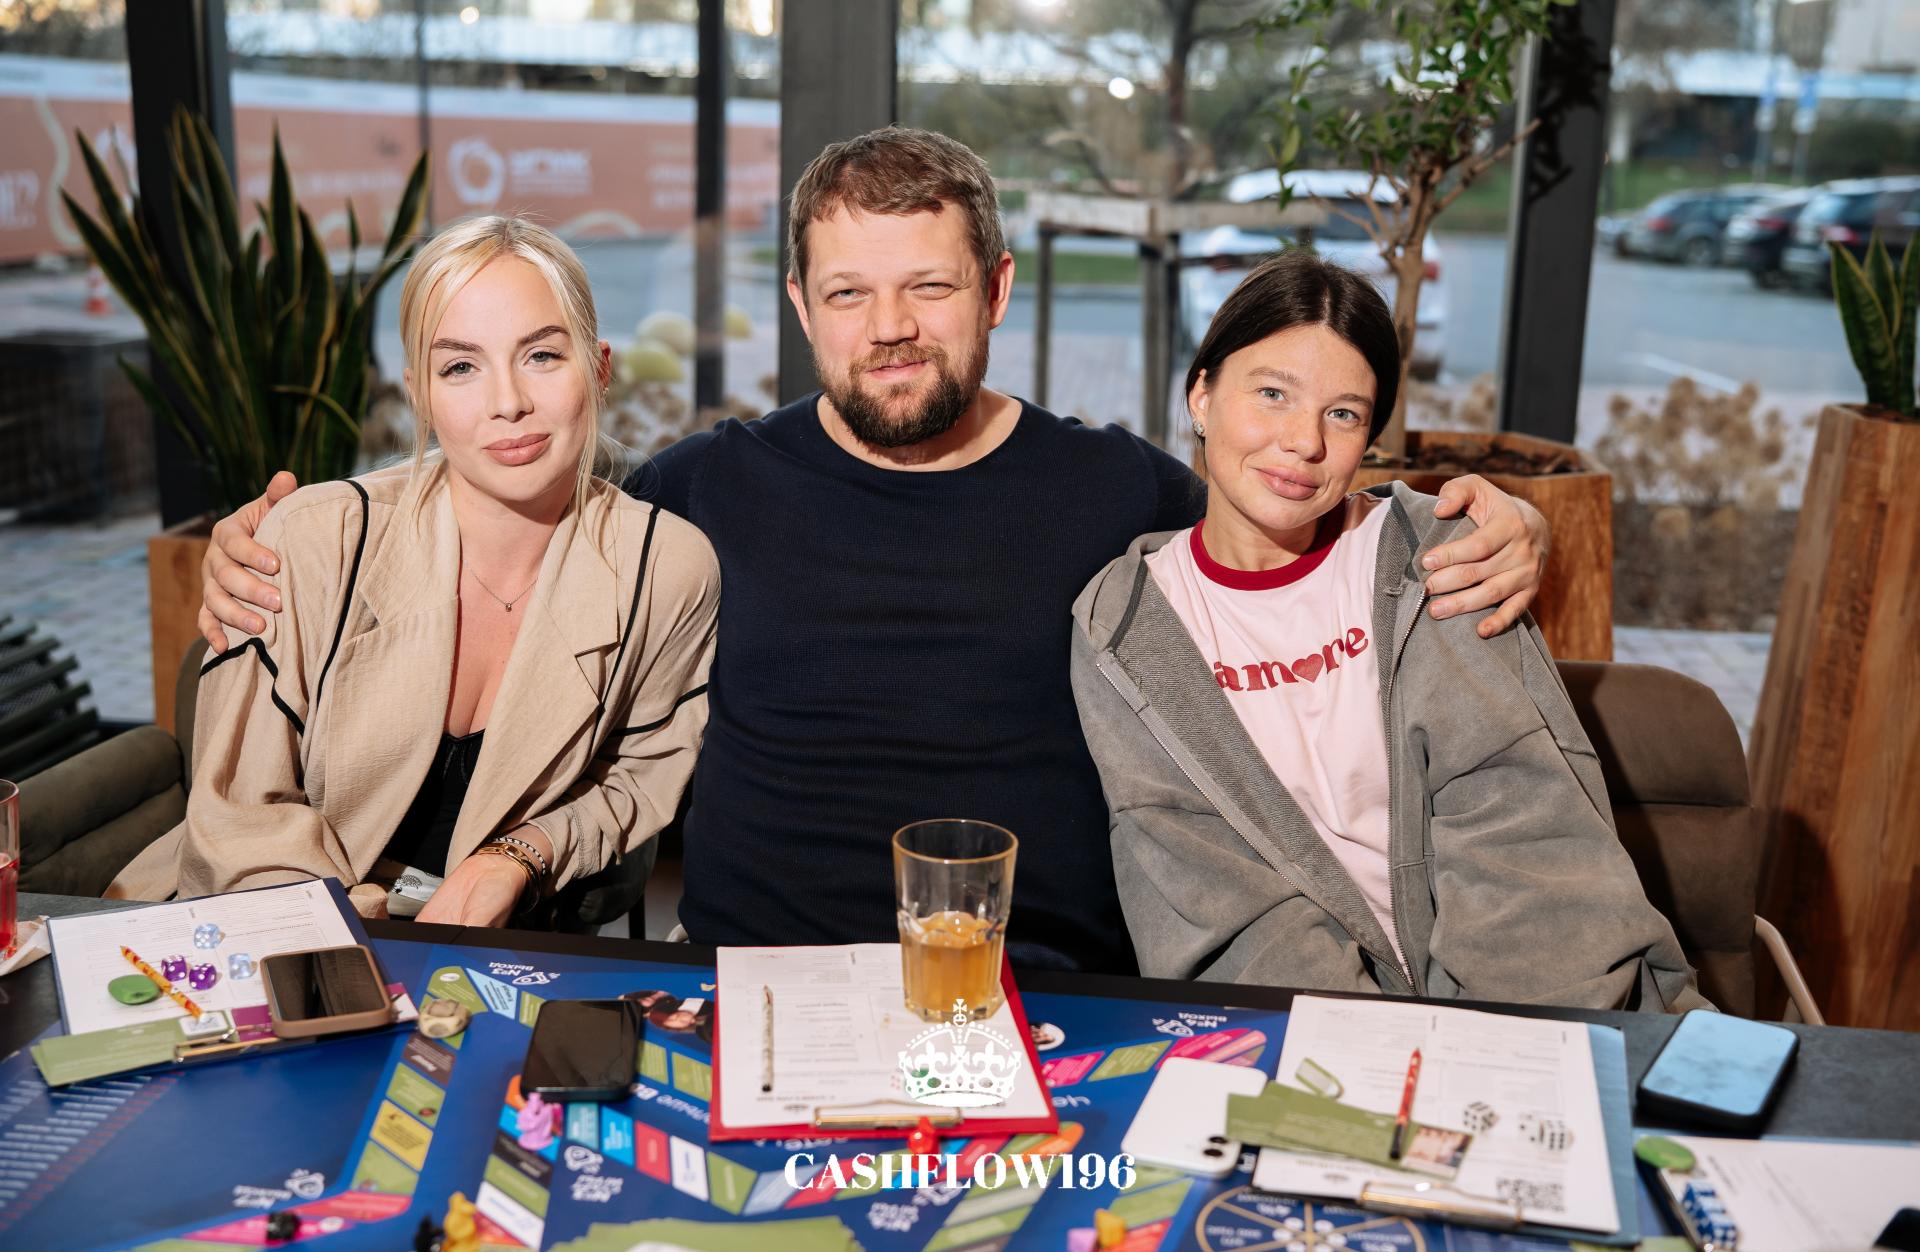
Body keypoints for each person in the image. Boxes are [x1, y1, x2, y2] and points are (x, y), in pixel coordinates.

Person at [195, 128, 1549, 970]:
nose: (888, 326)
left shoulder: (1119, 490)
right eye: (848, 291)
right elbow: (502, 498)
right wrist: (275, 553)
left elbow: (1297, 517)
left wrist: (1500, 521)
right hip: (741, 997)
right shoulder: (694, 495)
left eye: (929, 286)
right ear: (801, 305)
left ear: (998, 289)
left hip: (1046, 997)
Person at [1069, 251, 1703, 1010]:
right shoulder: (1124, 631)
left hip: (1534, 1011)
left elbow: (1520, 837)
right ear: (1200, 395)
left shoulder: (1437, 557)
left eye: (1343, 413)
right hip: (1301, 1032)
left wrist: (1489, 1044)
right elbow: (1214, 902)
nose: (1304, 442)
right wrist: (1359, 1051)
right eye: (1272, 393)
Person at [111, 216, 720, 927]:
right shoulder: (315, 540)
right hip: (259, 920)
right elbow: (241, 827)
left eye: (542, 356)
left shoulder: (667, 569)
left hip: (494, 949)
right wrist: (376, 941)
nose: (508, 403)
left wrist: (523, 854)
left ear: (600, 368)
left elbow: (638, 772)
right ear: (419, 393)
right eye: (460, 366)